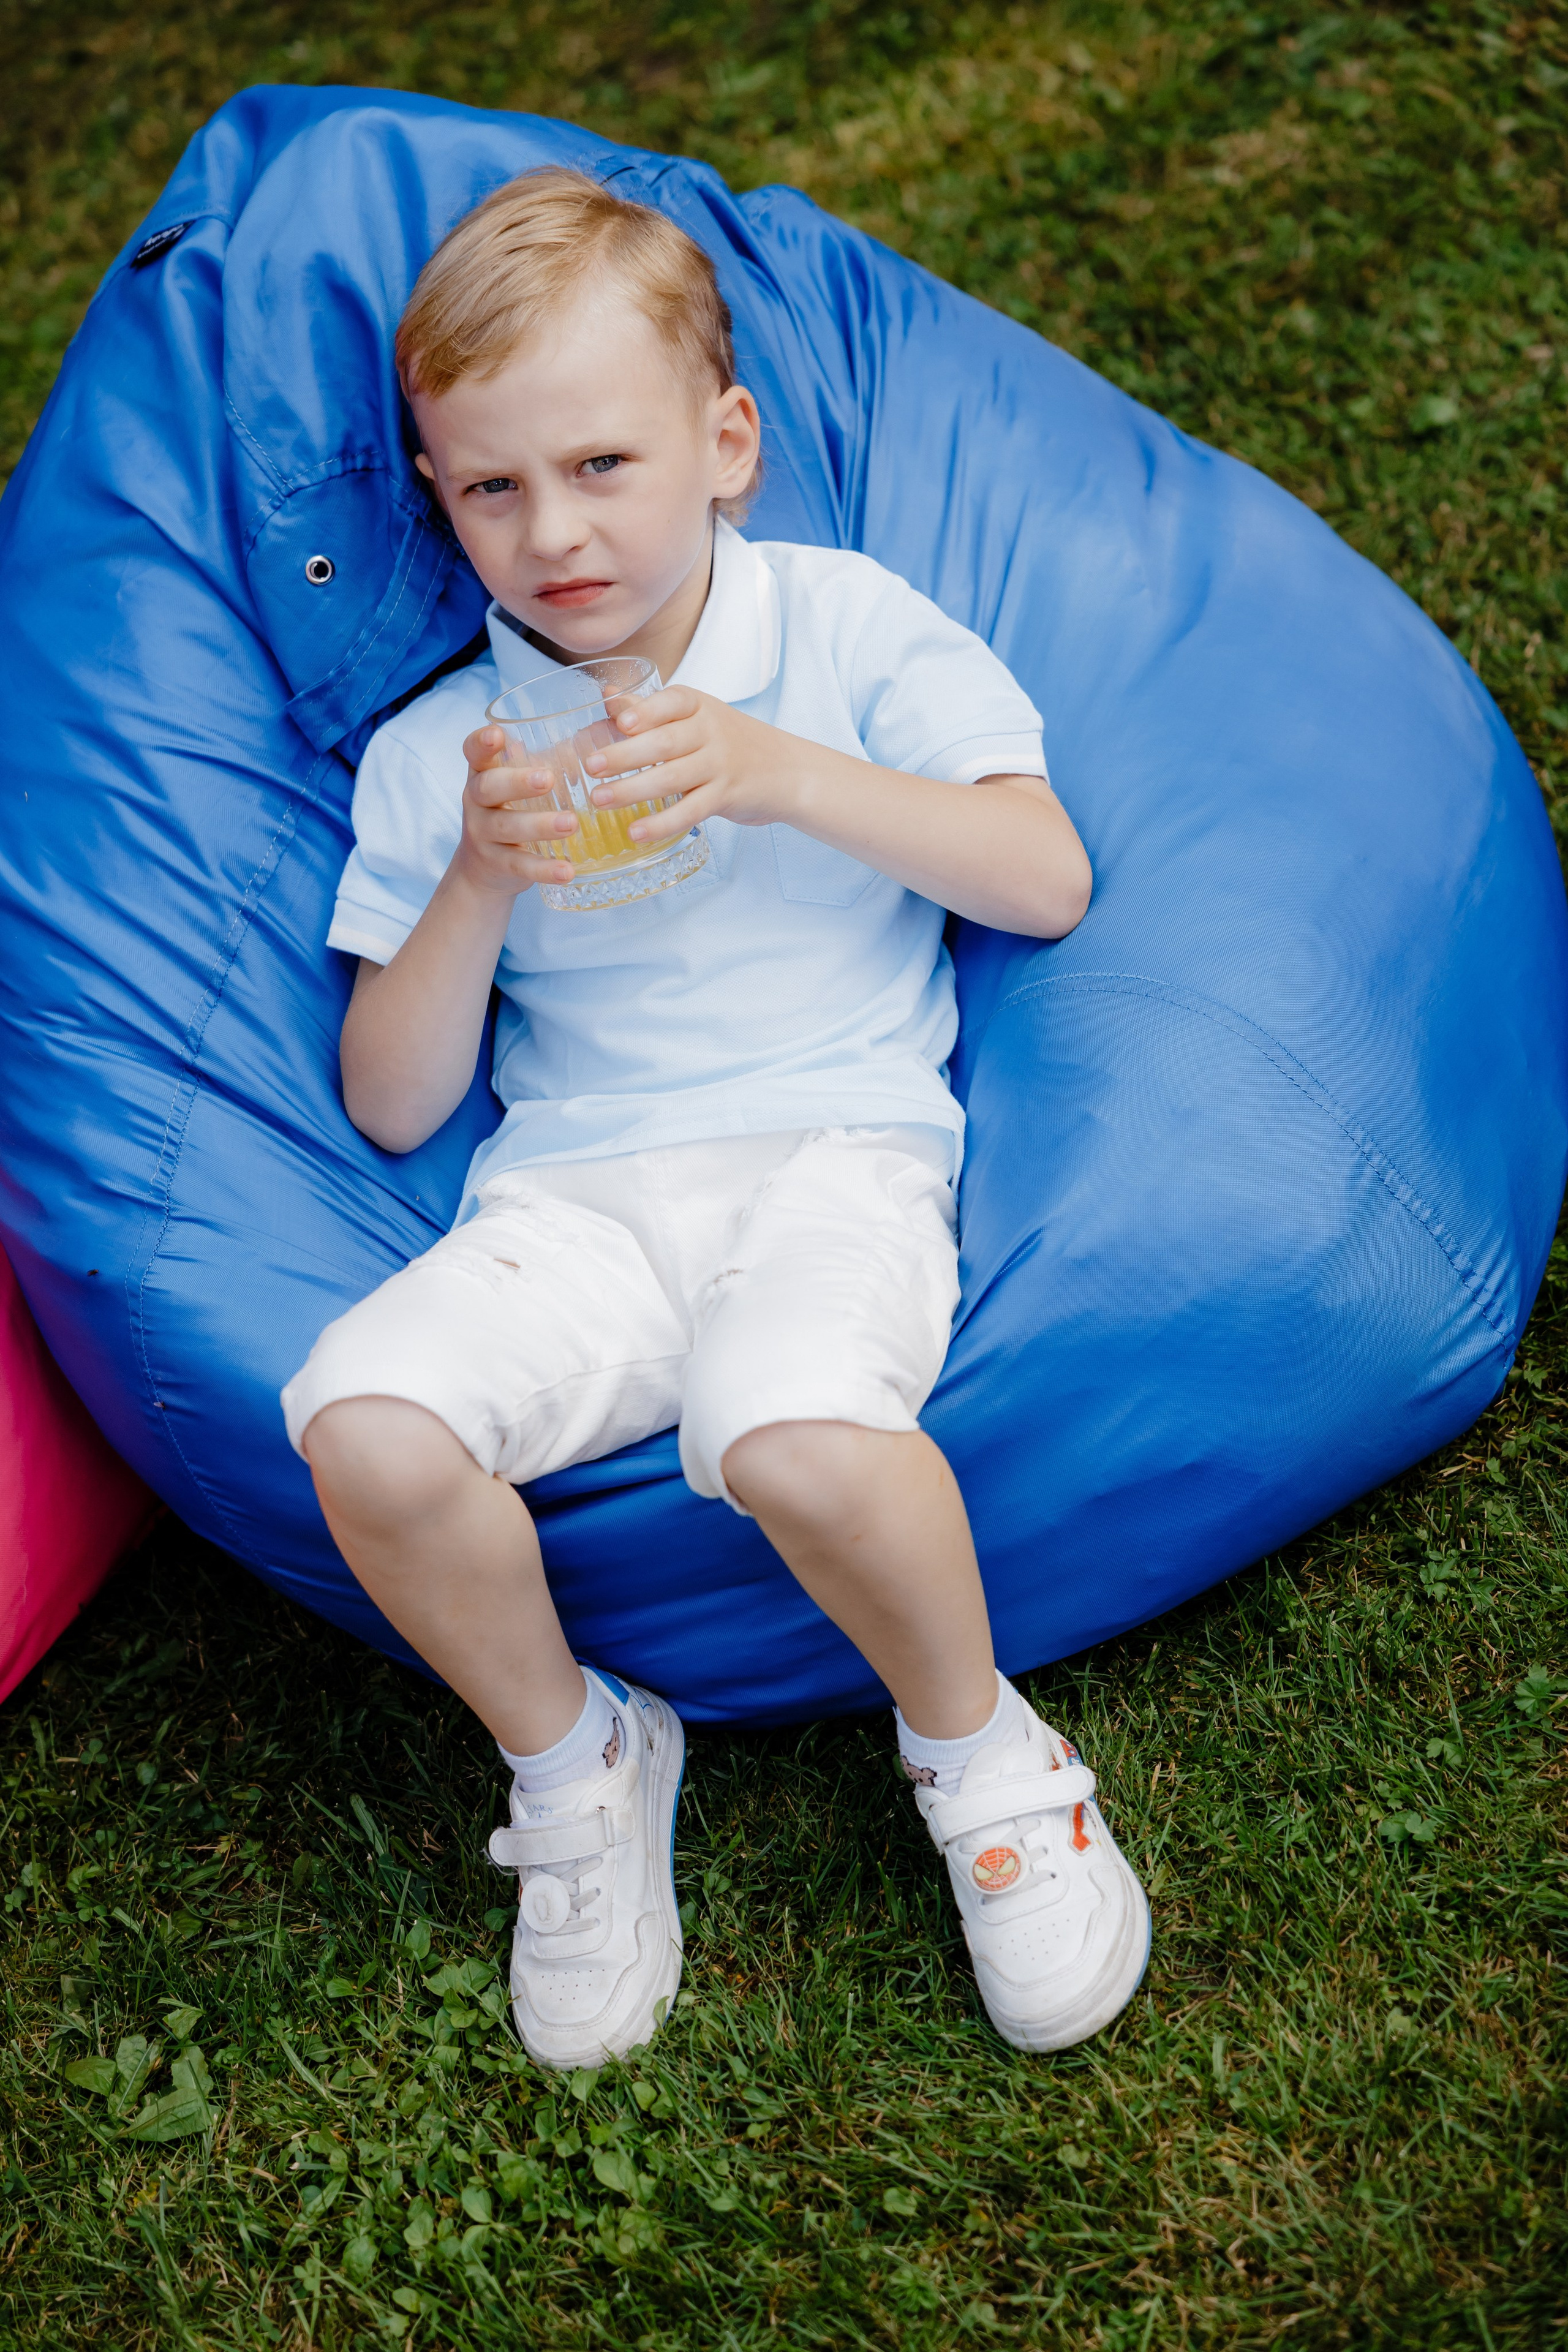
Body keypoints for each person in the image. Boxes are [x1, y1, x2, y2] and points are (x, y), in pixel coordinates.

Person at [281, 166, 1150, 2072]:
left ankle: (986, 1758)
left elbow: (1044, 874)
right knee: (360, 1420)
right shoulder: (438, 754)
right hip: (577, 1202)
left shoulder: (838, 628)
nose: (554, 534)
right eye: (492, 489)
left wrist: (778, 771)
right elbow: (393, 1096)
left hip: (832, 1153)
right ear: (438, 497)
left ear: (725, 445)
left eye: (603, 465)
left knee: (794, 1430)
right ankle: (577, 1763)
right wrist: (477, 880)